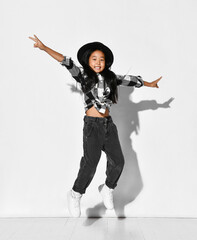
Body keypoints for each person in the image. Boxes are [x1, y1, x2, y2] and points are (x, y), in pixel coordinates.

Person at [29, 34, 162, 217]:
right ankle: (75, 193)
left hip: (108, 125)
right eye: (94, 59)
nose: (98, 62)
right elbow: (66, 62)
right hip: (92, 126)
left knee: (119, 161)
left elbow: (131, 80)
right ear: (88, 61)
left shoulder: (111, 77)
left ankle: (107, 188)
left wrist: (149, 84)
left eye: (101, 59)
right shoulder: (83, 76)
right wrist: (44, 48)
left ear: (106, 62)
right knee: (90, 163)